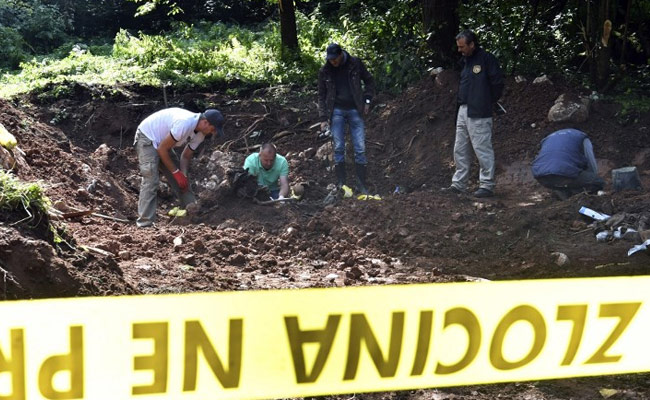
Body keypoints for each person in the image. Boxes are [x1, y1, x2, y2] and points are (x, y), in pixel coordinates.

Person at [134, 107, 224, 228]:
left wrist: (183, 175)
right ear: (205, 122)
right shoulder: (184, 123)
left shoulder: (200, 135)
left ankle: (193, 214)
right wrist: (176, 172)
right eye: (212, 129)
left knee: (182, 182)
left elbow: (185, 156)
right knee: (151, 179)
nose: (212, 133)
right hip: (147, 137)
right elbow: (161, 149)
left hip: (164, 143)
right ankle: (145, 223)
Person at [444, 30, 504, 198]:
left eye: (462, 47)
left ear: (472, 44)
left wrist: (486, 100)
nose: (459, 50)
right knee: (460, 148)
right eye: (458, 47)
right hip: (463, 110)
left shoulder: (486, 59)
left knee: (482, 148)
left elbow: (497, 83)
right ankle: (459, 184)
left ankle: (487, 185)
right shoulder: (465, 62)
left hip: (479, 111)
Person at [318, 43, 376, 198]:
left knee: (360, 147)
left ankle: (361, 184)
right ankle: (341, 183)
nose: (333, 62)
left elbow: (369, 81)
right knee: (338, 147)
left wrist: (367, 100)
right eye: (330, 60)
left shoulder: (355, 63)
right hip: (336, 110)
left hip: (355, 108)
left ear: (340, 55)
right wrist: (323, 118)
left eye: (335, 59)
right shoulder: (325, 71)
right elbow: (321, 95)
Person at [531, 128, 605, 200]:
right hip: (564, 172)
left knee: (559, 181)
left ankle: (565, 197)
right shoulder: (583, 138)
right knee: (598, 181)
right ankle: (578, 197)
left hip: (541, 175)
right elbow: (590, 159)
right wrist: (593, 177)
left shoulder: (548, 139)